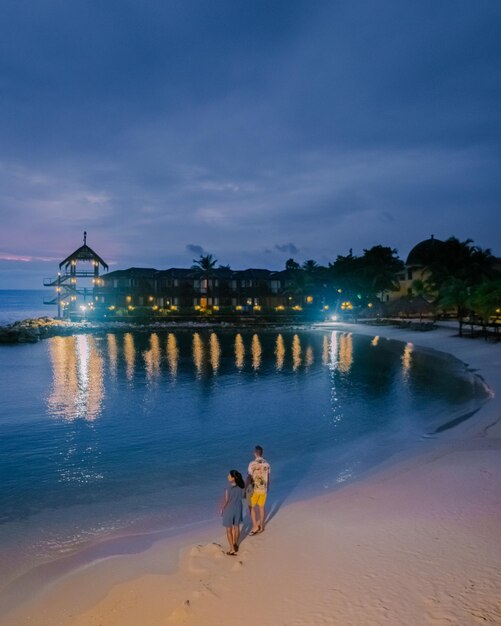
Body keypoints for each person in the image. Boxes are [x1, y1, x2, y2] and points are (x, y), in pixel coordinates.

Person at [246, 445, 271, 535]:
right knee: (261, 507)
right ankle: (262, 525)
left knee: (251, 507)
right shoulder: (267, 464)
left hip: (255, 489)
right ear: (262, 453)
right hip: (263, 489)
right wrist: (267, 488)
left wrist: (245, 488)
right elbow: (268, 477)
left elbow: (249, 477)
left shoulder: (252, 464)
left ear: (255, 453)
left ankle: (255, 526)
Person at [220, 469, 245, 555]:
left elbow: (226, 501)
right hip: (238, 508)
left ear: (233, 478)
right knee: (236, 527)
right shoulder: (241, 487)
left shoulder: (228, 488)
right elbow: (244, 496)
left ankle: (232, 549)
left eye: (229, 475)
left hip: (229, 509)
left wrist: (222, 508)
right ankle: (235, 544)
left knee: (228, 529)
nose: (228, 476)